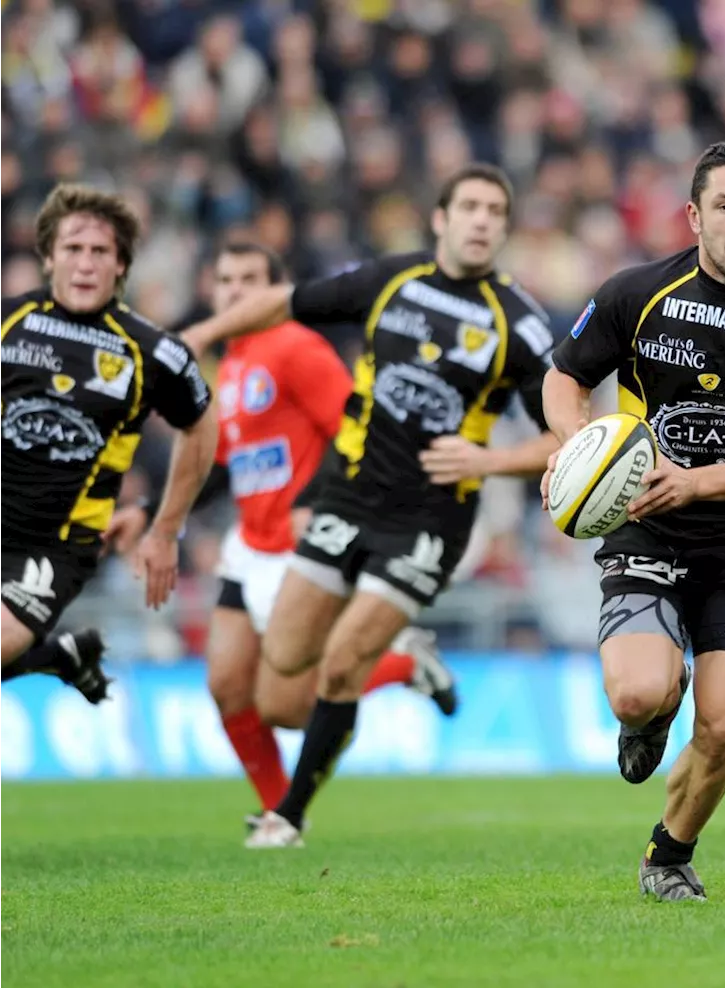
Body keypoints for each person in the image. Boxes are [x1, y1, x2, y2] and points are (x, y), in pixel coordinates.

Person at [180, 164, 559, 848]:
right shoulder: (392, 281)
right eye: (468, 205)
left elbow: (571, 437)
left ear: (503, 228)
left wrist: (491, 461)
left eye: (494, 210)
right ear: (440, 218)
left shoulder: (522, 325)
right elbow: (284, 301)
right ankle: (405, 658)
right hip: (348, 498)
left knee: (341, 661)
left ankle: (288, 815)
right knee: (282, 678)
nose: (480, 219)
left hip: (429, 520)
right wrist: (206, 335)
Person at [541, 141, 725, 901]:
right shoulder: (636, 293)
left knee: (720, 724)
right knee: (641, 693)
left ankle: (669, 856)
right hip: (650, 524)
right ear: (694, 214)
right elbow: (564, 375)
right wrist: (572, 447)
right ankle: (649, 712)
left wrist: (699, 482)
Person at [110, 241, 459, 830]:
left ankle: (403, 664)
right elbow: (223, 464)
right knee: (225, 684)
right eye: (226, 279)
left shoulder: (296, 348)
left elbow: (356, 429)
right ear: (212, 289)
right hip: (250, 546)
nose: (237, 290)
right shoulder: (231, 364)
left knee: (286, 707)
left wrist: (313, 504)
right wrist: (149, 509)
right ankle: (280, 816)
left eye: (251, 279)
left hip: (302, 548)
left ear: (274, 289)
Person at [0, 184, 217, 703]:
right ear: (49, 255)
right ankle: (62, 657)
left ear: (122, 265)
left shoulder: (154, 353)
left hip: (52, 546)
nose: (85, 264)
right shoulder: (8, 322)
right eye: (72, 249)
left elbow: (203, 427)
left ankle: (55, 656)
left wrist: (165, 528)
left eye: (100, 252)